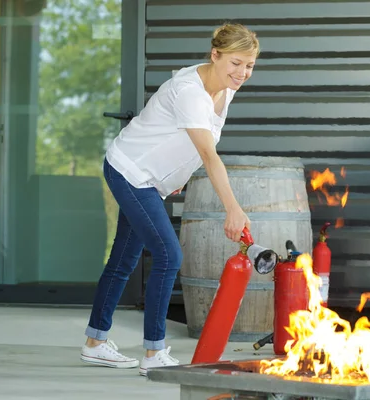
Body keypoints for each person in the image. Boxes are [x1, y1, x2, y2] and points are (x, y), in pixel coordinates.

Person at [79, 23, 259, 376]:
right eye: (236, 63)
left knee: (123, 259)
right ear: (215, 55)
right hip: (130, 171)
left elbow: (191, 142)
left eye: (250, 65)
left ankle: (95, 343)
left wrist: (173, 176)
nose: (242, 73)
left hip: (148, 179)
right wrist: (233, 209)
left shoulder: (224, 87)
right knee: (168, 254)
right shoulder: (189, 91)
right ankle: (154, 353)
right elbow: (209, 155)